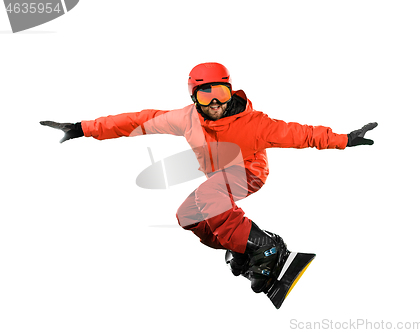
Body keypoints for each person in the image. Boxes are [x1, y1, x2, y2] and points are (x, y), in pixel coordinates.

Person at [40, 62, 377, 298]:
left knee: (210, 195)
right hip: (217, 179)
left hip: (248, 173)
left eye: (220, 92)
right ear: (193, 99)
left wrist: (345, 139)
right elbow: (136, 120)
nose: (215, 102)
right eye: (205, 95)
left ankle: (266, 246)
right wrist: (84, 128)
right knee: (187, 216)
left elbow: (301, 134)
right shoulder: (185, 119)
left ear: (230, 90)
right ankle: (241, 249)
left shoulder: (255, 123)